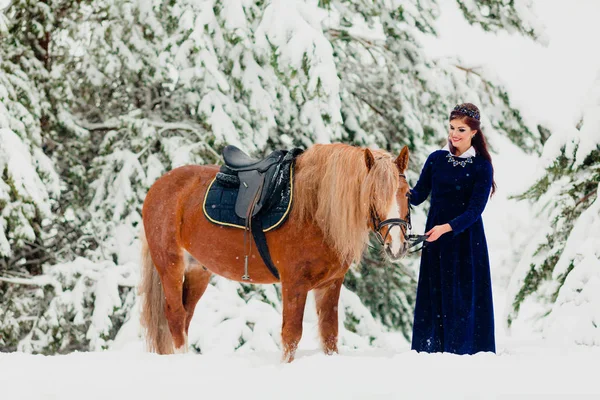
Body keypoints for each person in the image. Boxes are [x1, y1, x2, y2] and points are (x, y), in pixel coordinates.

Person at [409, 103, 496, 355]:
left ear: (474, 133)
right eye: (451, 128)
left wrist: (446, 228)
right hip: (435, 241)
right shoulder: (436, 159)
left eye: (460, 129)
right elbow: (417, 196)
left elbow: (474, 211)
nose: (454, 134)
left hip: (465, 242)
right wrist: (395, 186)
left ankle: (462, 352)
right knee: (434, 294)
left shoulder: (482, 167)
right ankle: (430, 351)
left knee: (462, 297)